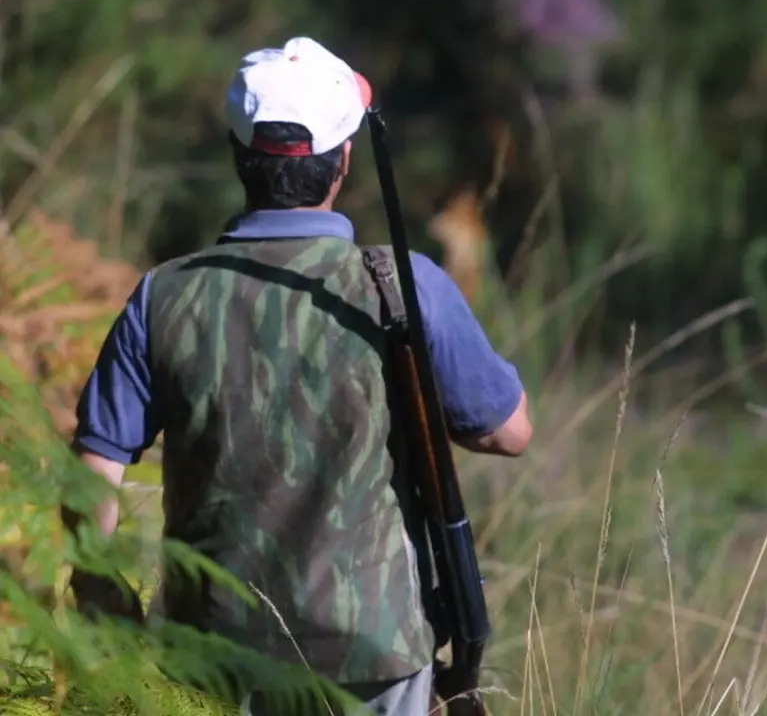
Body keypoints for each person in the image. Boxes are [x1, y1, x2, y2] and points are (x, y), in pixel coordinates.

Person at [66, 36, 533, 715]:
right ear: (343, 161)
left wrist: (105, 602)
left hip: (208, 659)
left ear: (238, 154)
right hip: (375, 654)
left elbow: (92, 476)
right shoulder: (403, 286)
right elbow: (509, 433)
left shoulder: (161, 296)